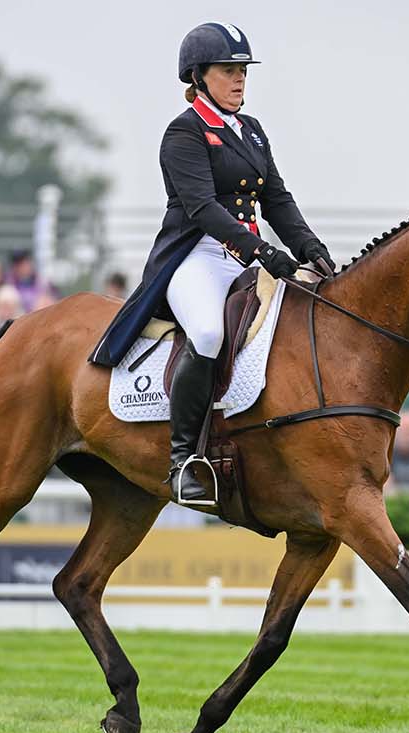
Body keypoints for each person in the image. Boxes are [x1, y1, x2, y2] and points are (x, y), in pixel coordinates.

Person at [88, 23, 333, 505]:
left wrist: (311, 249)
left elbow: (277, 200)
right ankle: (182, 462)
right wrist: (265, 253)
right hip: (195, 256)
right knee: (207, 333)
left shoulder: (253, 131)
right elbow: (202, 208)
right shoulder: (184, 132)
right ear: (199, 76)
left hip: (243, 256)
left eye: (243, 71)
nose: (240, 80)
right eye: (229, 71)